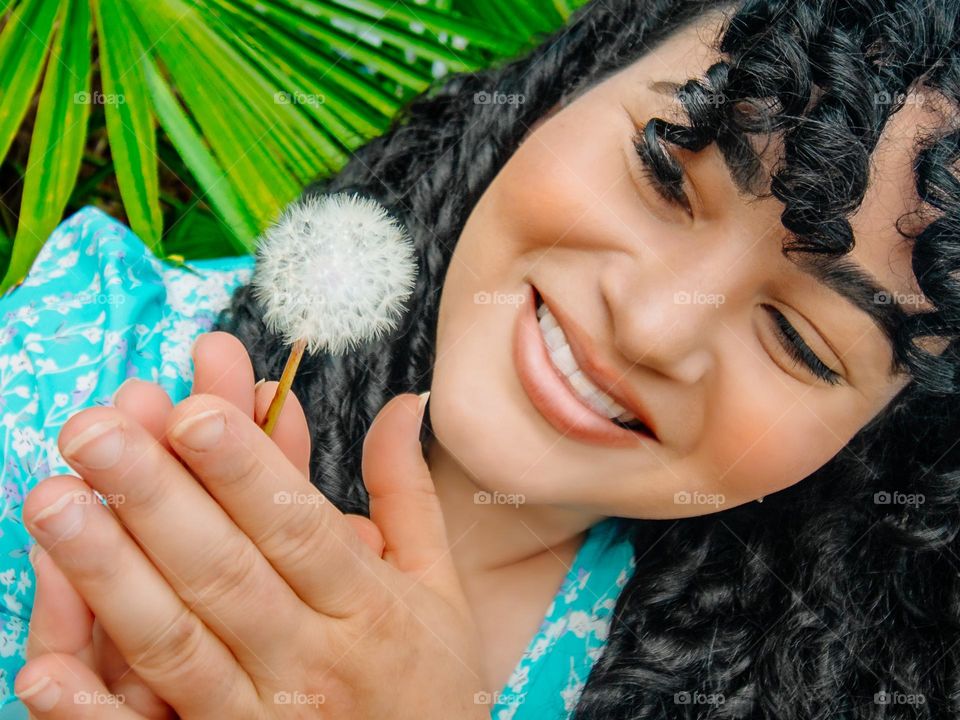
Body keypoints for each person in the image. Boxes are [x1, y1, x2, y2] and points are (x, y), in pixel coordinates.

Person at [7, 0, 960, 717]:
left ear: (888, 434)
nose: (653, 328)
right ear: (572, 79)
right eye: (664, 172)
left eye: (800, 340)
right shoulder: (67, 364)